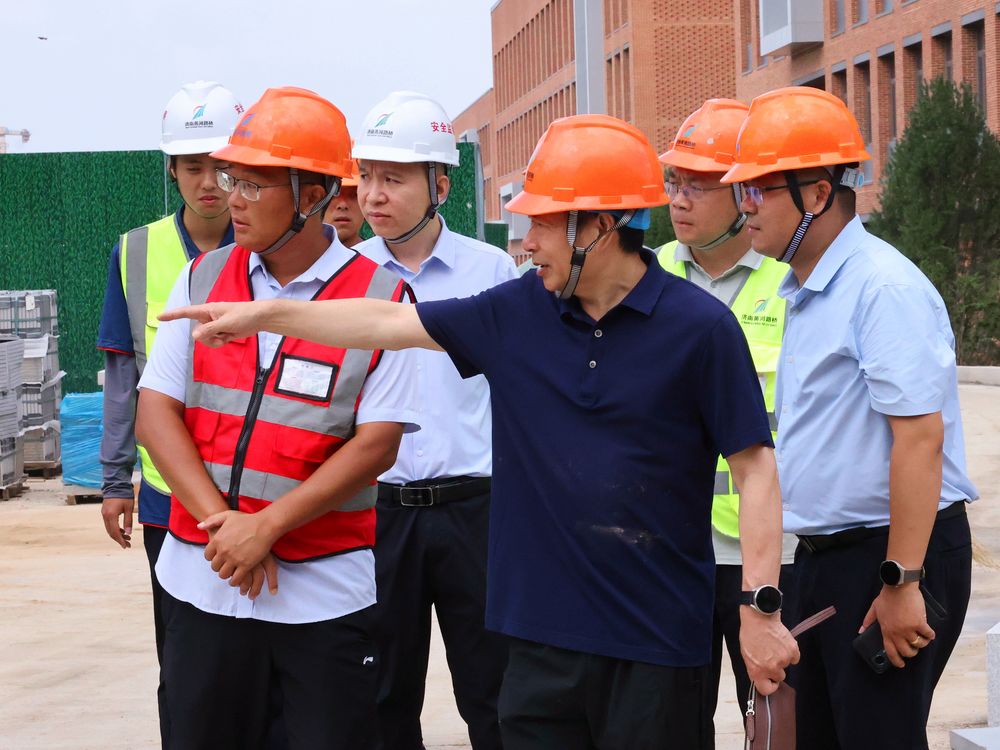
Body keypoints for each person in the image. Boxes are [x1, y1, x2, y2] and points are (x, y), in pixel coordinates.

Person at [161, 112, 799, 750]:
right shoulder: (520, 311)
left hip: (655, 642)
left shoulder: (700, 329)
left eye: (542, 223)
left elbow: (755, 470)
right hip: (538, 643)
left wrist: (759, 607)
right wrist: (265, 314)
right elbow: (387, 324)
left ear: (599, 227)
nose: (527, 243)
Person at [134, 86, 419, 750]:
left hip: (321, 593)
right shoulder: (201, 278)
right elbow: (155, 413)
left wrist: (266, 528)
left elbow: (376, 445)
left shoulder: (382, 299)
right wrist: (225, 530)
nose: (229, 196)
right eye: (231, 178)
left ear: (314, 195)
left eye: (252, 185)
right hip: (203, 581)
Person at [720, 85, 979, 749]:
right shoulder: (809, 288)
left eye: (759, 189)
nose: (744, 205)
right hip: (828, 558)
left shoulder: (881, 288)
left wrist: (902, 581)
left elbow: (920, 440)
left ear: (816, 193)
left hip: (890, 557)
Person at [352, 90, 516, 750]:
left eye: (393, 178)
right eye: (366, 176)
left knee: (496, 692)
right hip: (377, 514)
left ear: (439, 185)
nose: (373, 194)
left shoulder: (492, 271)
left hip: (476, 513)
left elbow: (517, 394)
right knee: (380, 696)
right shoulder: (347, 279)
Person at [95, 79, 242, 741]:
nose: (208, 183)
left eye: (221, 167)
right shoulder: (135, 252)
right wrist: (112, 481)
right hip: (166, 496)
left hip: (259, 490)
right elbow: (122, 377)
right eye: (192, 167)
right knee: (184, 663)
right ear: (172, 171)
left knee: (265, 660)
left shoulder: (272, 248)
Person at [656, 98, 799, 721]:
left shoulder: (792, 282)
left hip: (769, 556)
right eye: (674, 182)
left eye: (698, 185)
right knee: (667, 721)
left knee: (772, 720)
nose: (678, 200)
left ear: (745, 192)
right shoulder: (647, 277)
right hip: (670, 546)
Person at [324, 156, 365, 247]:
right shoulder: (295, 254)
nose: (343, 205)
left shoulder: (382, 256)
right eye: (334, 194)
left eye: (353, 195)